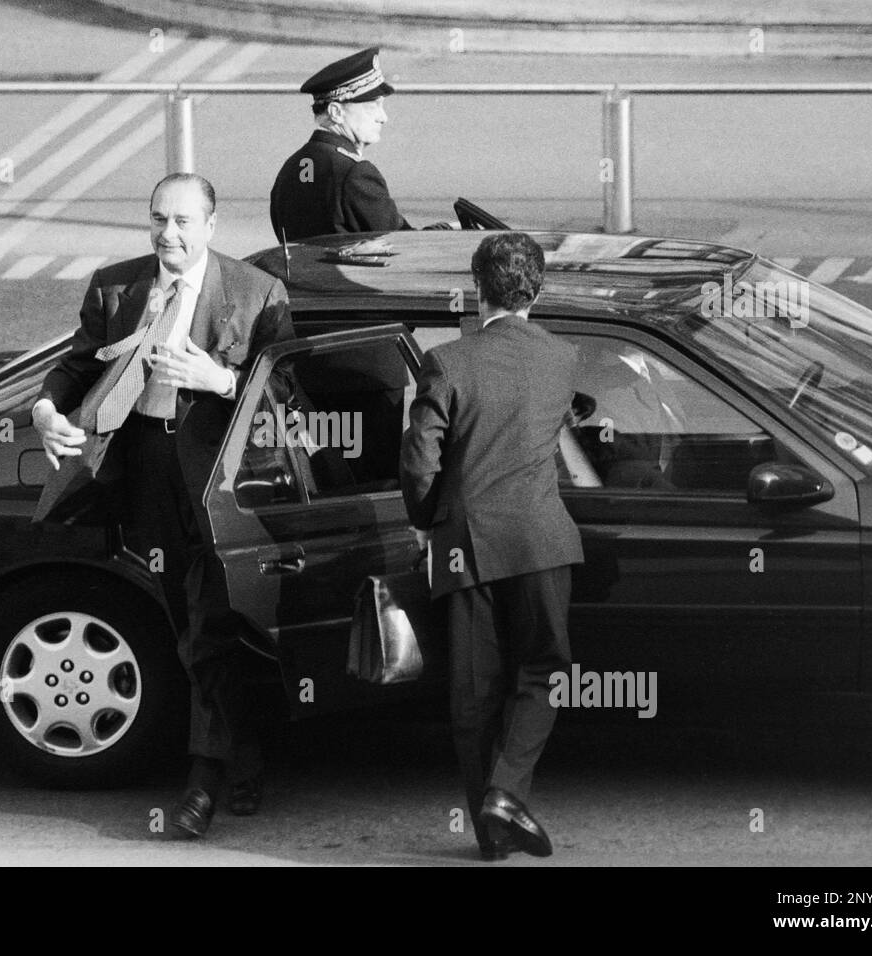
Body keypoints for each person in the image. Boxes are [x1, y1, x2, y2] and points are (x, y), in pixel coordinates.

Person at [30, 173, 296, 839]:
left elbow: (289, 398)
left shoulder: (256, 293)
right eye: (158, 220)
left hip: (219, 479)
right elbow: (76, 367)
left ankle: (204, 779)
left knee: (208, 622)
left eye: (182, 222)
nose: (167, 235)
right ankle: (247, 751)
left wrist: (225, 380)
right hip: (145, 468)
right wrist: (43, 409)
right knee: (186, 620)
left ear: (210, 226)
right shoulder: (117, 286)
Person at [399, 232, 584, 861]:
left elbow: (419, 461)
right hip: (540, 541)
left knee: (472, 694)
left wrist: (425, 520)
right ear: (538, 290)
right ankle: (508, 793)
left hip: (466, 547)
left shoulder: (448, 362)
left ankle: (491, 836)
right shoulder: (562, 358)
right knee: (545, 671)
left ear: (478, 290)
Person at [271, 47, 447, 241]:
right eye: (373, 106)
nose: (383, 117)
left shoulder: (293, 167)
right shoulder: (355, 174)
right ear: (336, 112)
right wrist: (449, 230)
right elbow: (403, 245)